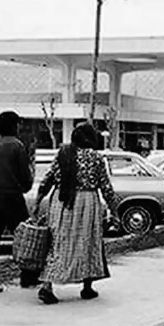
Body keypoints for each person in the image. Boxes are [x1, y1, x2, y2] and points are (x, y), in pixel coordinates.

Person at [32, 122, 119, 305]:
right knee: (88, 243)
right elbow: (106, 187)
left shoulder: (63, 154)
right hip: (87, 203)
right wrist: (114, 209)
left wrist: (37, 202)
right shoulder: (95, 157)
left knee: (57, 243)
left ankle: (47, 286)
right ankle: (87, 288)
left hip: (61, 202)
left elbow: (47, 180)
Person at [0, 111, 34, 295]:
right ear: (12, 126)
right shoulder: (16, 145)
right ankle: (28, 276)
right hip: (11, 196)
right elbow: (25, 178)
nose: (19, 127)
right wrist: (27, 183)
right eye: (17, 124)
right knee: (25, 237)